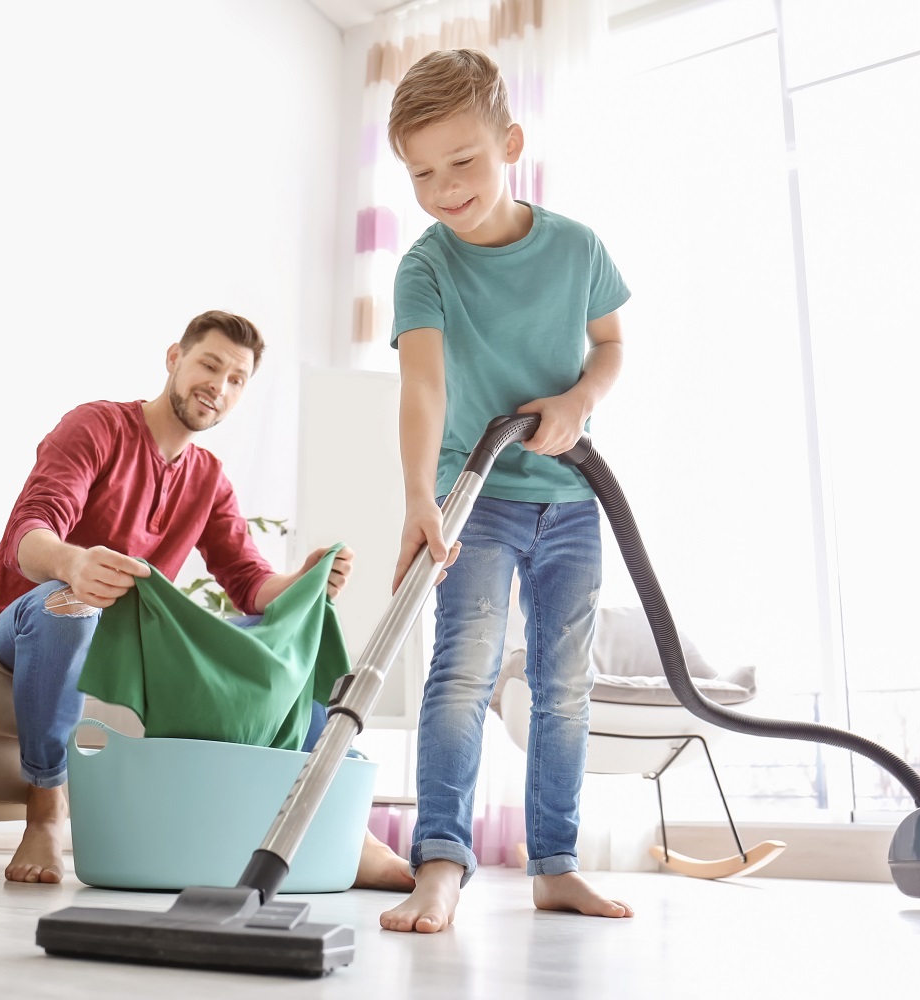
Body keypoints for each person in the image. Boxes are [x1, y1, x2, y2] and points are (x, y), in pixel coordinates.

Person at [0, 309, 415, 890]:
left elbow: (250, 585)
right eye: (209, 364)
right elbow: (30, 530)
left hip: (124, 650)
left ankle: (349, 831)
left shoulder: (208, 477)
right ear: (174, 358)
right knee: (69, 605)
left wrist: (302, 582)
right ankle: (47, 809)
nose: (219, 387)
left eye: (236, 379)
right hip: (24, 625)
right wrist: (74, 563)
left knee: (291, 640)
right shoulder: (95, 427)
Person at [381, 49, 637, 933]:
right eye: (421, 172)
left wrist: (578, 401)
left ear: (511, 143)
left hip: (572, 499)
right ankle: (441, 862)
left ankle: (556, 865)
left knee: (565, 684)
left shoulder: (577, 248)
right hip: (476, 498)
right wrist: (422, 496)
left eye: (464, 161)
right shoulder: (425, 268)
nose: (445, 187)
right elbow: (423, 388)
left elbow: (609, 347)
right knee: (461, 674)